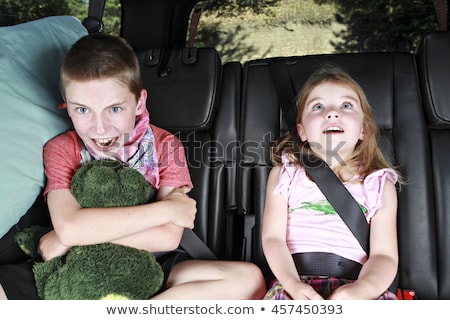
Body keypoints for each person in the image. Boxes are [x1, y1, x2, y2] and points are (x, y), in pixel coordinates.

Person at [0, 33, 265, 300]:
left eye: (114, 109)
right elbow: (69, 226)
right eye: (82, 110)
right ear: (66, 107)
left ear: (139, 102)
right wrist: (167, 208)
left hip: (150, 261)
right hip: (74, 266)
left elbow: (167, 237)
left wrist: (71, 241)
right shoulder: (62, 149)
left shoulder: (165, 145)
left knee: (249, 280)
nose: (99, 127)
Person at [262, 64, 402, 300]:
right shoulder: (285, 175)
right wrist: (293, 285)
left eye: (346, 105)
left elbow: (384, 256)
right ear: (302, 131)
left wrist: (361, 291)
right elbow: (273, 238)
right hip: (294, 284)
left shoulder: (379, 184)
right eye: (318, 106)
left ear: (363, 132)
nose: (332, 113)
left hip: (358, 287)